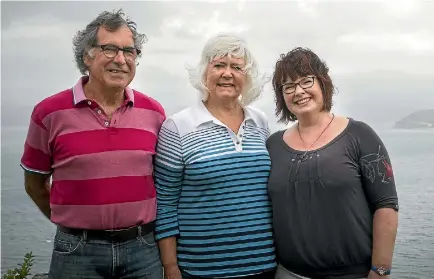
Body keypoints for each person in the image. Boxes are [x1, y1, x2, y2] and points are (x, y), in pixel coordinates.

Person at [20, 9, 165, 279]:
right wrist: (74, 222)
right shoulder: (48, 113)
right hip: (77, 251)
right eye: (109, 49)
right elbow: (34, 184)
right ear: (86, 56)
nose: (121, 60)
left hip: (143, 249)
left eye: (129, 51)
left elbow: (162, 180)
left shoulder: (154, 113)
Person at [266, 47, 399, 279]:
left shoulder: (359, 135)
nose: (299, 91)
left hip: (353, 273)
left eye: (306, 81)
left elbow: (386, 205)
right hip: (287, 273)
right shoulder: (273, 146)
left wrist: (380, 270)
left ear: (323, 83)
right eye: (288, 86)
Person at [153, 33, 276, 279]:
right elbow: (165, 204)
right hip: (200, 270)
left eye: (237, 67)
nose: (227, 73)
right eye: (219, 65)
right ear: (204, 73)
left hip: (264, 267)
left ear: (247, 77)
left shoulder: (260, 123)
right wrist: (170, 267)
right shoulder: (177, 127)